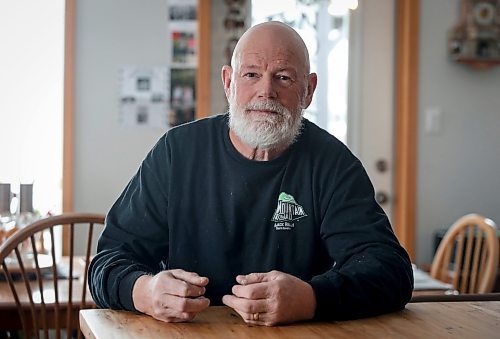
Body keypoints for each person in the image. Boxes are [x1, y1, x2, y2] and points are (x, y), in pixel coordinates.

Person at [89, 21, 413, 326]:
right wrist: (144, 291)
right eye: (252, 75)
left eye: (284, 77)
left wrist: (312, 298)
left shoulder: (332, 163)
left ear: (309, 90)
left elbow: (390, 271)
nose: (266, 91)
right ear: (229, 82)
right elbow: (108, 262)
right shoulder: (177, 152)